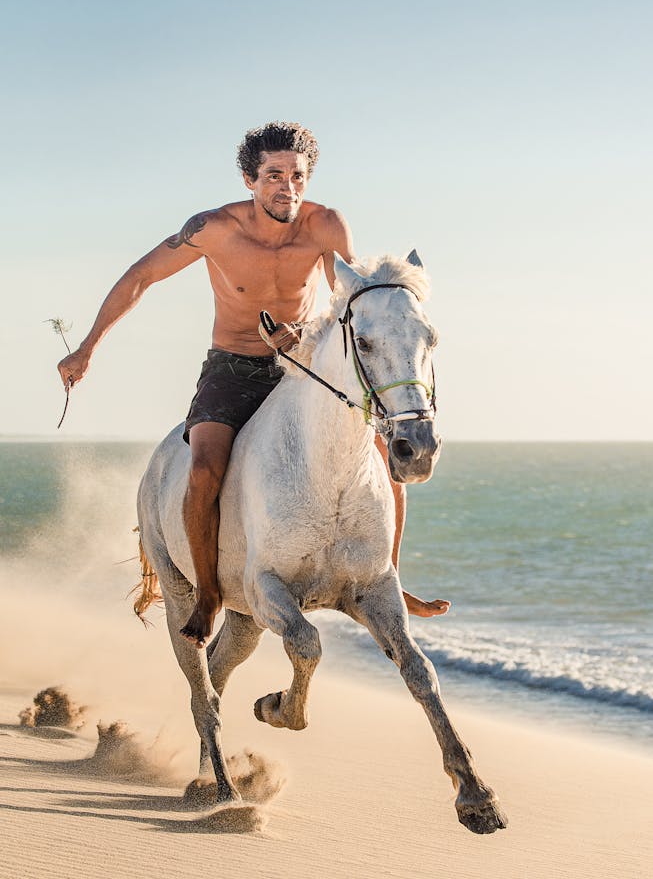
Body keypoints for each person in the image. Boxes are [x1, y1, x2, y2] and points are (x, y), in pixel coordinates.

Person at [58, 121, 450, 647]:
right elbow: (140, 277)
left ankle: (390, 578)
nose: (286, 186)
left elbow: (348, 306)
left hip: (299, 367)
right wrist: (87, 347)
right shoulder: (214, 228)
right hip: (232, 367)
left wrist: (305, 332)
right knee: (203, 466)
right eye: (273, 176)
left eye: (296, 175)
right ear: (250, 179)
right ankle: (208, 593)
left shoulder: (326, 225)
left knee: (380, 450)